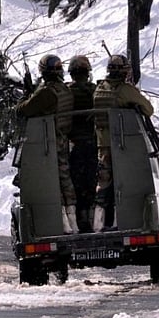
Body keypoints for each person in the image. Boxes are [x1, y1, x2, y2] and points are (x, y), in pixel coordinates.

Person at [14, 54, 78, 234]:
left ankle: (63, 223)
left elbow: (24, 110)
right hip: (63, 139)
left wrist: (25, 96)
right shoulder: (65, 90)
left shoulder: (47, 92)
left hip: (47, 143)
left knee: (52, 182)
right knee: (65, 180)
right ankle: (73, 221)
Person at [92, 54, 154, 232]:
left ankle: (99, 223)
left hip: (102, 146)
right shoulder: (125, 90)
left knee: (103, 184)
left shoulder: (99, 89)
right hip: (123, 145)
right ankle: (121, 222)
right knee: (125, 183)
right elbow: (148, 110)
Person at [66, 55, 97, 233]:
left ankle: (80, 217)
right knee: (92, 182)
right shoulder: (95, 91)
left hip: (73, 145)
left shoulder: (66, 92)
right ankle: (93, 217)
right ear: (87, 72)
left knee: (75, 183)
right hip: (94, 144)